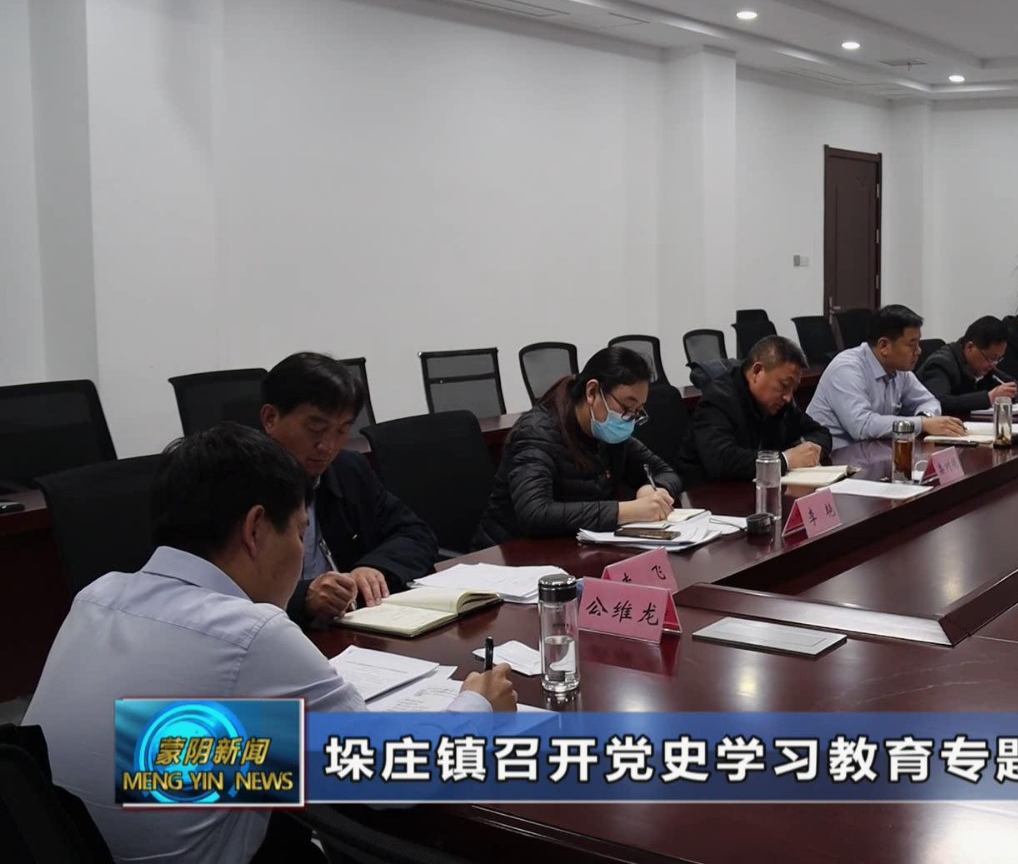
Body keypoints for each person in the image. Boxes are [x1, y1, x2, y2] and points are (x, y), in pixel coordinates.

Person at [23, 424, 517, 863]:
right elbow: (389, 779)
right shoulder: (248, 633)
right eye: (300, 533)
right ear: (256, 529)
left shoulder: (96, 595)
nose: (301, 553)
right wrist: (478, 705)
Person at [259, 352, 437, 626]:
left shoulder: (347, 470)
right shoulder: (237, 484)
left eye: (342, 430)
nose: (328, 446)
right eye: (316, 428)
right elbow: (220, 588)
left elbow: (415, 533)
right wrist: (303, 598)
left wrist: (374, 566)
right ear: (271, 418)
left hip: (349, 629)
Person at [475, 347, 683, 543]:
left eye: (637, 411)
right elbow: (536, 513)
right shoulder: (536, 433)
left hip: (573, 546)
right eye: (626, 406)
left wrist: (652, 490)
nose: (629, 418)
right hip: (510, 553)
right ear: (592, 392)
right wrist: (627, 511)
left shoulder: (607, 433)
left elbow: (666, 472)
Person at [678, 336, 832, 486]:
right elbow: (721, 460)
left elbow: (821, 433)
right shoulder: (718, 399)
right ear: (757, 371)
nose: (788, 397)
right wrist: (786, 459)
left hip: (758, 489)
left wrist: (810, 451)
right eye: (784, 385)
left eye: (793, 389)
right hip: (710, 494)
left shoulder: (781, 404)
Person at [806, 304, 966, 448]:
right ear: (884, 346)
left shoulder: (900, 371)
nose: (919, 351)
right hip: (832, 459)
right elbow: (862, 426)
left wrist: (926, 417)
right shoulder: (847, 369)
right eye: (912, 344)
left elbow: (929, 401)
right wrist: (922, 424)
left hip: (871, 453)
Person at [917, 316, 1018, 417]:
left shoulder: (985, 365)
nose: (993, 364)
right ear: (970, 347)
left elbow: (1017, 386)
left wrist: (1009, 392)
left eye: (998, 359)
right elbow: (940, 402)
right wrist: (989, 397)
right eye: (991, 358)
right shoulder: (940, 363)